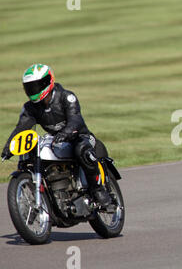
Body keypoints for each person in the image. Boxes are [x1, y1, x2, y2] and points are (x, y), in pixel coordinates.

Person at [1, 64, 112, 207]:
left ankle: (98, 190)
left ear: (48, 82)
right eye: (29, 87)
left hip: (80, 136)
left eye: (36, 86)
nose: (33, 90)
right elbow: (21, 128)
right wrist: (9, 147)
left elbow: (76, 119)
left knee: (81, 150)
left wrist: (65, 132)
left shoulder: (66, 97)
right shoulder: (30, 108)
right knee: (31, 155)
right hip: (57, 139)